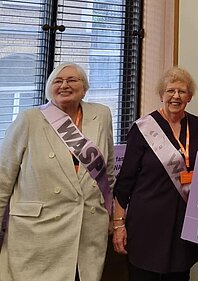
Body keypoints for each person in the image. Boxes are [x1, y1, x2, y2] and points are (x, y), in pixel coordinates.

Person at [0, 62, 115, 281]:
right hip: (39, 233)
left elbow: (107, 170)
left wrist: (110, 215)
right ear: (49, 88)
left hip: (86, 231)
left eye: (72, 80)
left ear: (84, 87)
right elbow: (3, 178)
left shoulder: (100, 114)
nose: (65, 85)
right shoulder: (29, 119)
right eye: (58, 81)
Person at [112, 67, 198, 281]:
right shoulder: (142, 128)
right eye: (170, 91)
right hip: (147, 222)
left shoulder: (197, 125)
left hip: (183, 221)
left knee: (179, 276)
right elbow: (125, 181)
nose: (176, 96)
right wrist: (118, 225)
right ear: (161, 94)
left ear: (190, 96)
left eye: (182, 91)